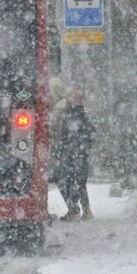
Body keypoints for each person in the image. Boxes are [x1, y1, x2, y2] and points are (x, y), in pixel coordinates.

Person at [57, 89, 96, 220]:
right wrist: (84, 147)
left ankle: (74, 210)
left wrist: (65, 147)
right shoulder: (84, 115)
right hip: (80, 153)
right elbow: (92, 134)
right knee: (79, 182)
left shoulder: (67, 115)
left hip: (70, 153)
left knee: (67, 181)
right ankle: (85, 209)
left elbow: (62, 134)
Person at [49, 77, 72, 214]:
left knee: (59, 177)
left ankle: (73, 209)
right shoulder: (66, 103)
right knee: (66, 179)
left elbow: (52, 127)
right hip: (68, 147)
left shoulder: (59, 107)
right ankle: (76, 209)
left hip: (59, 147)